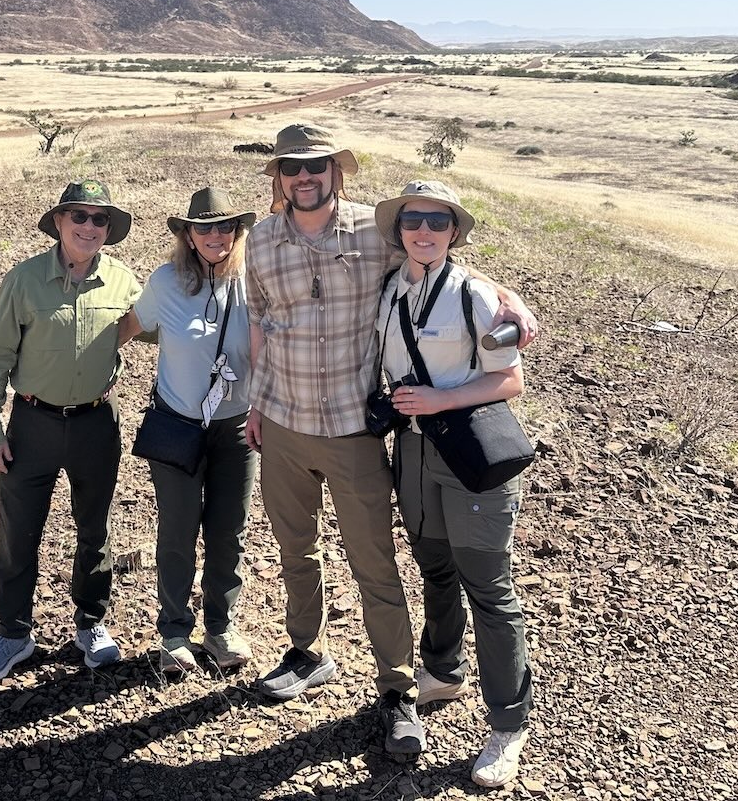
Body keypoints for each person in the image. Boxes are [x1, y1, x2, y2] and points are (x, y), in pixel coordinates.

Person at [243, 122, 538, 757]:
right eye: (292, 168)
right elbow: (262, 322)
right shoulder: (260, 241)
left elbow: (438, 259)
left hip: (353, 429)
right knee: (297, 551)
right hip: (284, 424)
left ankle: (400, 691)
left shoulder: (374, 233)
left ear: (335, 172)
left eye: (316, 166)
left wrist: (507, 297)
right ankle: (306, 652)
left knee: (374, 564)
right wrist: (256, 403)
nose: (305, 177)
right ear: (278, 177)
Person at [376, 180, 534, 789]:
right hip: (412, 449)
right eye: (413, 220)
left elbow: (509, 380)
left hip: (467, 451)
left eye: (438, 223)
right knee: (435, 569)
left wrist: (441, 399)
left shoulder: (472, 294)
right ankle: (441, 670)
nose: (424, 231)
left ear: (454, 234)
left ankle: (507, 726)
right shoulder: (393, 285)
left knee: (488, 589)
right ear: (400, 230)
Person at [0, 180, 141, 683]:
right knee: (19, 533)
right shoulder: (22, 281)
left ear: (109, 230)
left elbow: (159, 323)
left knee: (95, 530)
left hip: (96, 423)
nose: (89, 227)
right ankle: (14, 635)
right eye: (80, 217)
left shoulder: (124, 281)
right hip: (32, 423)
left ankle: (91, 624)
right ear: (60, 223)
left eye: (99, 219)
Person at [119, 187, 258, 676]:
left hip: (238, 428)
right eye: (204, 228)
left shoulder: (255, 279)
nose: (216, 236)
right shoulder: (165, 282)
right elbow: (126, 327)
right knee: (178, 530)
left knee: (228, 531)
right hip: (178, 425)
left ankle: (221, 629)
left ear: (238, 232)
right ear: (188, 235)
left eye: (225, 227)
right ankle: (174, 631)